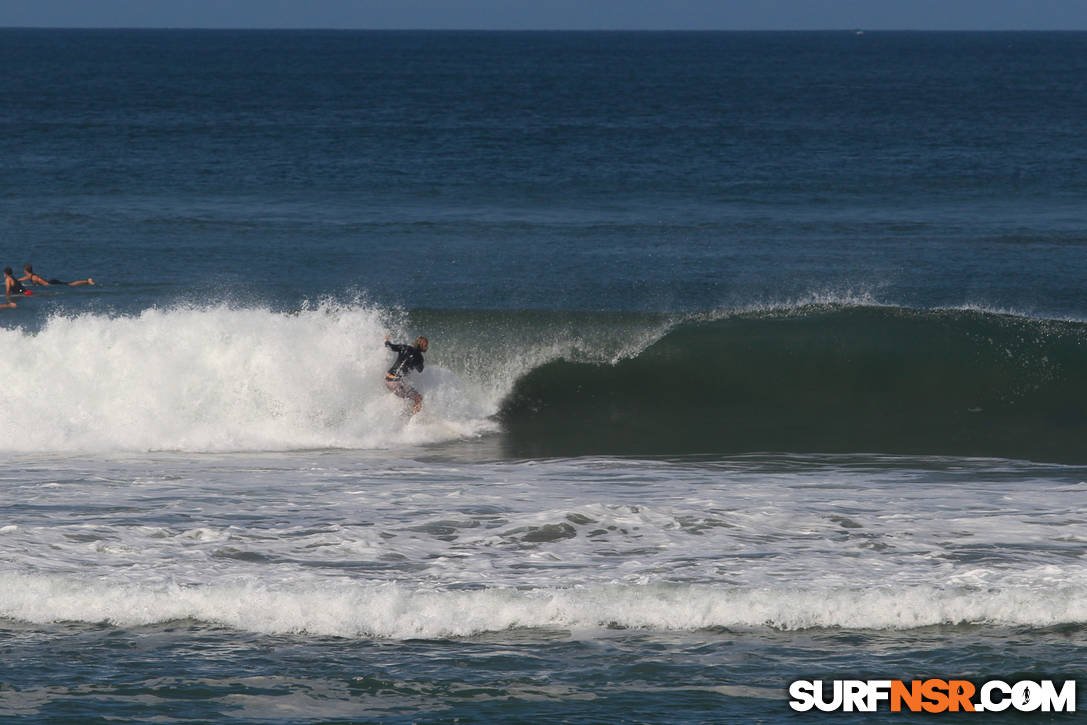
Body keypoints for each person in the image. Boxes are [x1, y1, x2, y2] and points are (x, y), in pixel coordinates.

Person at [384, 334, 428, 415]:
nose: (427, 348)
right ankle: (413, 421)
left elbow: (389, 346)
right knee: (419, 399)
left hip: (387, 380)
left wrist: (387, 340)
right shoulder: (419, 357)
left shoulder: (405, 347)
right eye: (426, 346)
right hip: (396, 383)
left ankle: (402, 415)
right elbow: (420, 370)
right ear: (421, 346)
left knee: (406, 398)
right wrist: (419, 361)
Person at [19, 264, 94, 286]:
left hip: (52, 283)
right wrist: (17, 280)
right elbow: (24, 278)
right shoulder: (29, 276)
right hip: (51, 281)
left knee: (70, 284)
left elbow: (44, 282)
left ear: (25, 271)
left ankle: (87, 281)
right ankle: (87, 281)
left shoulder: (34, 277)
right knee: (69, 284)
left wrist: (49, 287)